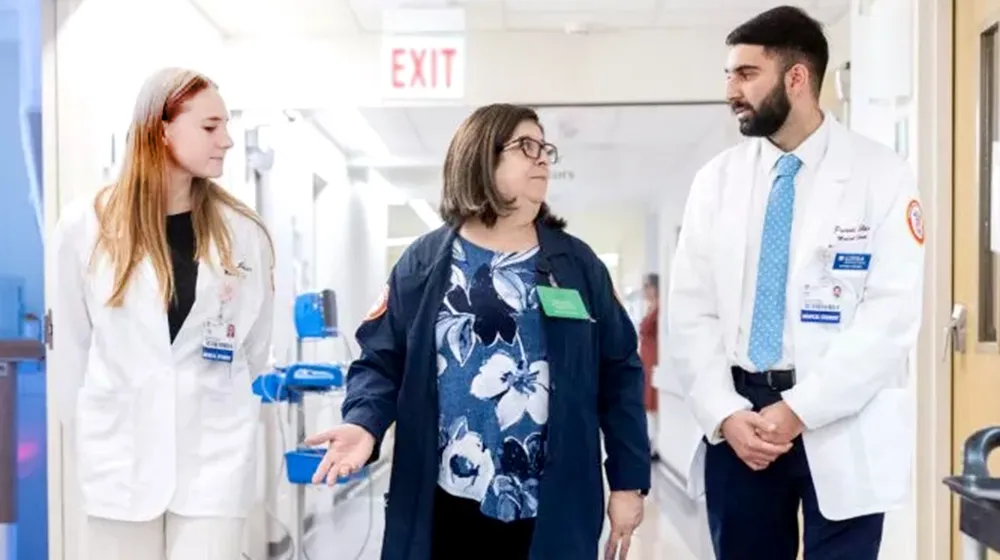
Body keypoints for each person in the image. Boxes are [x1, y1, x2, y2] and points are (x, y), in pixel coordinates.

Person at [304, 103, 651, 560]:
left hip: (554, 501)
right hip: (446, 498)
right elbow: (381, 360)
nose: (543, 157)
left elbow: (620, 371)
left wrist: (628, 480)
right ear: (481, 157)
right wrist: (363, 423)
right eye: (526, 146)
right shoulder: (424, 264)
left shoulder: (576, 266)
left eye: (545, 147)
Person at [666, 6, 925, 560]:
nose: (731, 90)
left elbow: (890, 317)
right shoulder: (716, 182)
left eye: (745, 74)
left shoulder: (881, 175)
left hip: (839, 410)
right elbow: (691, 312)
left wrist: (801, 408)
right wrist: (724, 412)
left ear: (797, 78)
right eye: (729, 75)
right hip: (741, 415)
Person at [49, 67, 275, 560]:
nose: (228, 141)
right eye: (211, 127)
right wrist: (94, 437)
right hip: (119, 459)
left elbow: (254, 347)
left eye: (226, 125)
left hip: (212, 458)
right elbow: (70, 351)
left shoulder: (244, 233)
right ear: (162, 129)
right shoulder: (85, 226)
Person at [638, 273, 660, 460]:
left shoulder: (659, 309)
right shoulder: (651, 308)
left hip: (653, 359)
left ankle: (654, 444)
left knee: (652, 403)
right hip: (645, 359)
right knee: (647, 403)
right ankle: (649, 442)